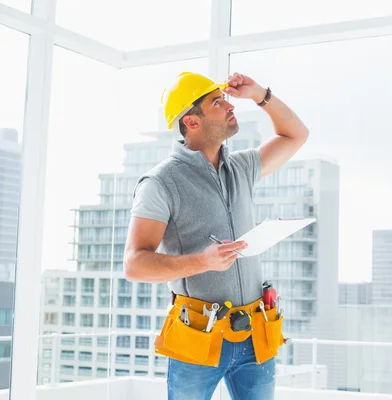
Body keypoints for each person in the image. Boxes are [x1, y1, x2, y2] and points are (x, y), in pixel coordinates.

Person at [123, 71, 309, 400]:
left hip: (256, 335)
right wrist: (201, 261)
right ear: (192, 122)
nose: (229, 107)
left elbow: (296, 135)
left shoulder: (241, 167)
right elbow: (135, 265)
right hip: (199, 338)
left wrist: (260, 94)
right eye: (217, 102)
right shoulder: (160, 182)